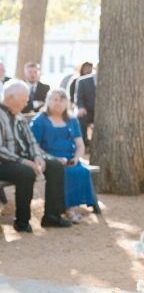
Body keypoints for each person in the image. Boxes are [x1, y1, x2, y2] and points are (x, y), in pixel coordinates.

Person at [0, 80, 71, 232]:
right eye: (24, 98)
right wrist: (24, 161)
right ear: (11, 97)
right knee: (25, 173)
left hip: (23, 159)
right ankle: (22, 221)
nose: (27, 102)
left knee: (55, 166)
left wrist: (37, 157)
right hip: (4, 163)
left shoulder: (19, 116)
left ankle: (52, 216)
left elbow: (32, 142)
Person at [30, 89, 99, 221]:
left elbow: (80, 145)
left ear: (66, 102)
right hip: (49, 158)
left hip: (70, 157)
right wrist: (54, 159)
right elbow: (35, 146)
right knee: (64, 172)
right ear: (48, 101)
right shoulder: (40, 120)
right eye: (54, 99)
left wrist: (76, 158)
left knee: (80, 171)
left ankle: (72, 207)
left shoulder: (72, 120)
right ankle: (64, 208)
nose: (58, 103)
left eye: (62, 100)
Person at [75, 65, 97, 147]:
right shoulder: (83, 81)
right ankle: (84, 143)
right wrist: (81, 108)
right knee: (82, 117)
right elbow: (79, 98)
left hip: (105, 112)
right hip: (89, 110)